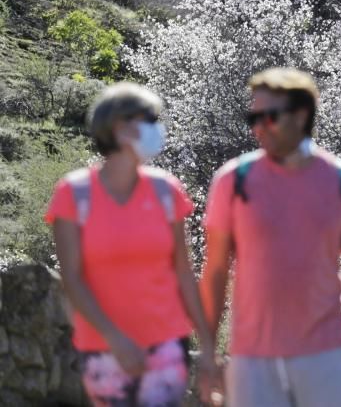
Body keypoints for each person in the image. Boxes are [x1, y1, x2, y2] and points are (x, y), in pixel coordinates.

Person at [200, 67, 341, 407]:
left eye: (268, 117)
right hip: (251, 358)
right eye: (252, 117)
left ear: (301, 116)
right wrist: (208, 351)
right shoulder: (233, 181)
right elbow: (215, 272)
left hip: (327, 355)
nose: (258, 127)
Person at [45, 82, 218, 406]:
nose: (159, 129)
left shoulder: (167, 191)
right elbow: (72, 279)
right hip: (102, 350)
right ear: (121, 129)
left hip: (166, 343)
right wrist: (115, 339)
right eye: (150, 120)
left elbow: (184, 273)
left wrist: (208, 346)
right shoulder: (73, 194)